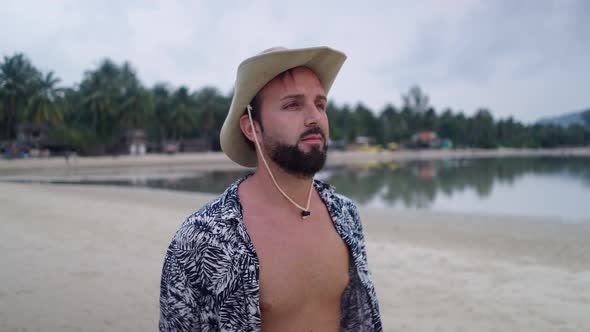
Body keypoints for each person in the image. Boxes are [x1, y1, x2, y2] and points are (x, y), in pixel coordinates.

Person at [159, 46, 382, 331]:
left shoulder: (345, 216)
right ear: (252, 127)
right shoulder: (203, 238)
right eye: (293, 105)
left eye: (320, 104)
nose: (314, 117)